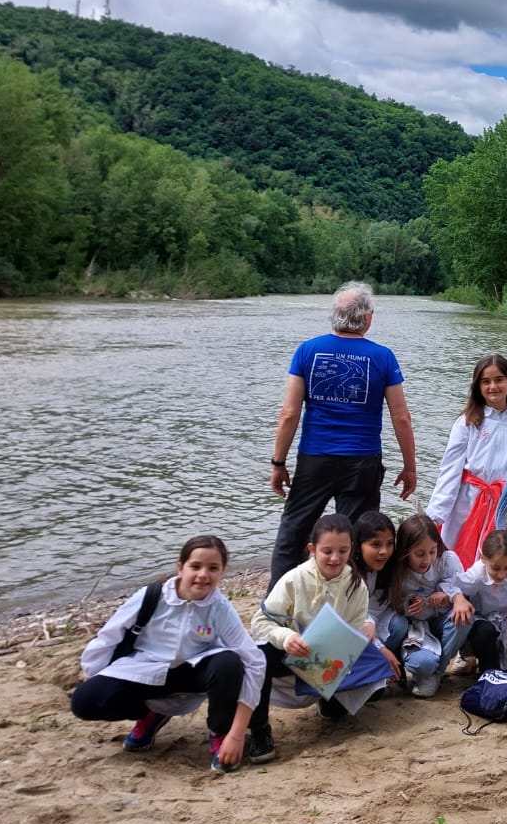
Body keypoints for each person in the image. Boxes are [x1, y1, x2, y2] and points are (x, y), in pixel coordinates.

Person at [71, 534, 265, 773]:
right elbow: (109, 635)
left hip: (192, 674)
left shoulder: (220, 607)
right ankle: (150, 714)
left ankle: (219, 732)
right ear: (180, 567)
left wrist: (236, 735)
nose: (203, 575)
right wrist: (94, 673)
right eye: (195, 566)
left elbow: (255, 661)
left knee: (229, 662)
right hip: (144, 671)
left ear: (222, 572)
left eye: (213, 568)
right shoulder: (151, 596)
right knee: (84, 701)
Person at [268, 282, 417, 588]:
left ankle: (277, 607)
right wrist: (409, 465)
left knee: (294, 532)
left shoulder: (307, 351)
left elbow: (289, 414)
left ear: (333, 317)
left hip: (315, 458)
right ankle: (348, 608)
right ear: (368, 319)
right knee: (357, 537)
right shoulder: (383, 357)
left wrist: (278, 462)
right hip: (362, 461)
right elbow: (401, 417)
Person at [248, 514, 386, 761]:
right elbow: (260, 620)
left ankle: (329, 699)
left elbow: (353, 633)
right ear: (312, 549)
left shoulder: (357, 585)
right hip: (293, 648)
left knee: (378, 682)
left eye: (343, 551)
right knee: (257, 658)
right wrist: (286, 637)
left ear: (351, 549)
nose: (335, 558)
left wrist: (339, 654)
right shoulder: (293, 579)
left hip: (331, 656)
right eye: (327, 551)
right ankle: (259, 730)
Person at [426, 354, 507, 564]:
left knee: (495, 565)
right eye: (485, 381)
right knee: (456, 561)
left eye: (498, 380)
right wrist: (435, 515)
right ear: (477, 386)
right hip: (466, 503)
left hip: (503, 506)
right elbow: (450, 470)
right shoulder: (467, 421)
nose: (493, 387)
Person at [390, 515, 467, 697]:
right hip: (416, 628)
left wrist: (448, 596)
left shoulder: (446, 560)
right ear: (405, 551)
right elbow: (389, 605)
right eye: (419, 554)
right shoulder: (397, 569)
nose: (427, 559)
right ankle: (419, 667)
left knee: (463, 617)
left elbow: (460, 586)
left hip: (439, 620)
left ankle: (437, 673)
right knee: (422, 663)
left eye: (432, 551)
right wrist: (408, 604)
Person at [451, 529, 507, 674]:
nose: (501, 574)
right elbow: (452, 583)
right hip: (482, 623)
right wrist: (458, 598)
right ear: (483, 558)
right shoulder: (475, 575)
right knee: (486, 635)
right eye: (495, 568)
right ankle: (485, 668)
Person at [349, 510, 404, 680]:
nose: (384, 551)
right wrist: (380, 648)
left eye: (389, 544)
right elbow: (351, 617)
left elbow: (380, 609)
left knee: (399, 624)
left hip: (375, 625)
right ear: (358, 546)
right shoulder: (348, 575)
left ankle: (381, 662)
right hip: (352, 629)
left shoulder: (390, 569)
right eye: (376, 545)